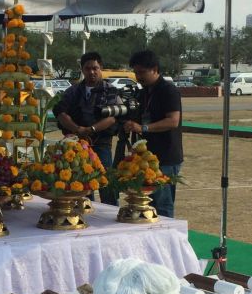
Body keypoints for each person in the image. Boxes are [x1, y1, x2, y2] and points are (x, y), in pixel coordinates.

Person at [53, 51, 121, 205]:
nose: (92, 72)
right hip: (77, 145)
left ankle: (111, 214)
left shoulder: (110, 90)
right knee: (81, 183)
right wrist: (78, 129)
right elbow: (60, 112)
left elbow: (113, 117)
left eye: (95, 68)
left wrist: (91, 129)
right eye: (88, 68)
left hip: (101, 144)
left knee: (106, 183)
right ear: (82, 70)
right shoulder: (73, 91)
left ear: (100, 67)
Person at [124, 50, 183, 218]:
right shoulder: (144, 92)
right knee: (148, 203)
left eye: (142, 72)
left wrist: (143, 128)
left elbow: (173, 121)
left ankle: (166, 234)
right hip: (147, 157)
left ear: (155, 69)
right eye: (136, 73)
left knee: (163, 204)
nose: (138, 77)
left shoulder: (168, 90)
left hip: (165, 157)